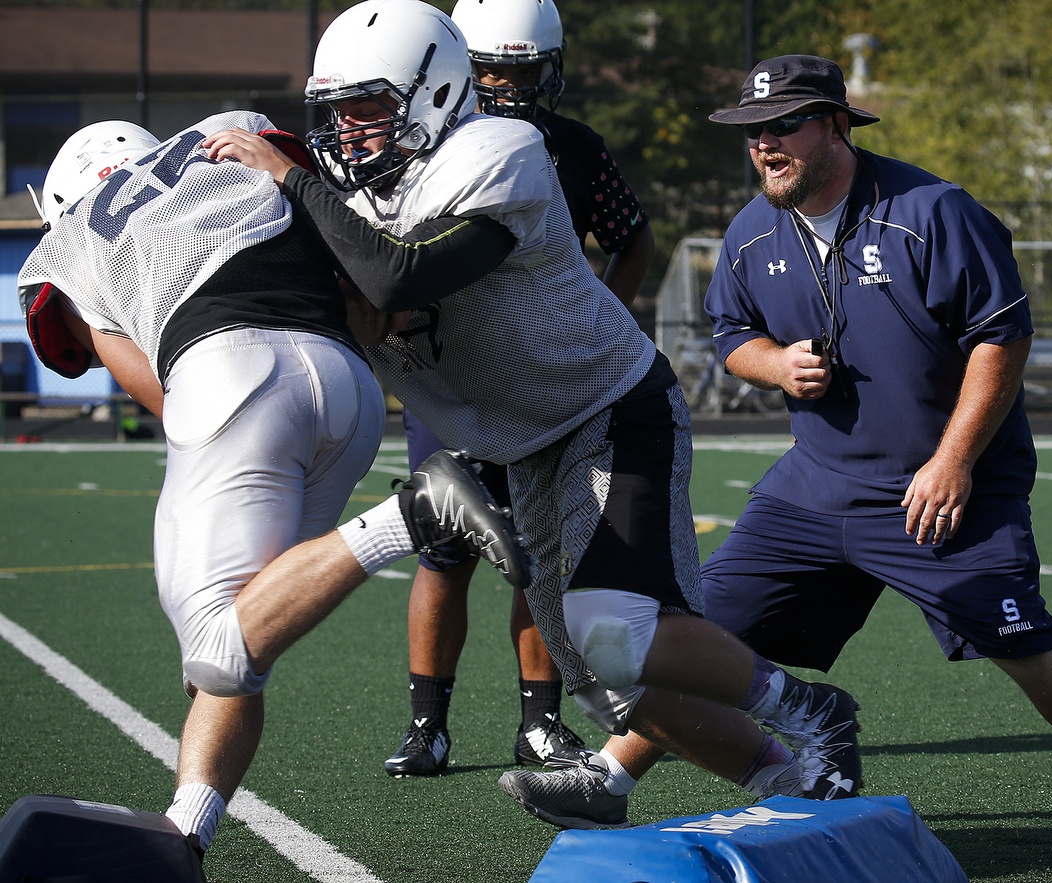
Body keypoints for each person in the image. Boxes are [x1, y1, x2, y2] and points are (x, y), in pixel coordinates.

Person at [495, 54, 1052, 850]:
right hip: (818, 485)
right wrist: (775, 364)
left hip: (940, 486)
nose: (765, 144)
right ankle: (612, 776)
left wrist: (953, 459)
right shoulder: (752, 229)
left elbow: (1002, 337)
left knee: (1019, 634)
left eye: (783, 124)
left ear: (835, 124)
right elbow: (732, 337)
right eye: (753, 131)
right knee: (690, 632)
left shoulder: (933, 210)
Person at [204, 0, 864, 826]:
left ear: (436, 95)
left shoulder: (501, 149)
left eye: (370, 108)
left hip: (609, 406)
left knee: (614, 627)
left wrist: (290, 177)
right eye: (337, 115)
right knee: (604, 687)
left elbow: (399, 280)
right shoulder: (356, 201)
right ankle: (787, 781)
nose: (351, 133)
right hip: (521, 440)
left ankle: (808, 711)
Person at [16, 113, 526, 859]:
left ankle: (418, 508)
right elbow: (346, 257)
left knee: (216, 649)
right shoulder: (225, 139)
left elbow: (160, 393)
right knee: (243, 648)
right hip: (348, 386)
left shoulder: (69, 242)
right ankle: (186, 837)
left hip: (233, 379)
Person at [378, 0, 657, 778]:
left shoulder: (570, 147)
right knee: (446, 551)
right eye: (488, 70)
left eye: (519, 71)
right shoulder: (422, 150)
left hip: (544, 388)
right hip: (458, 384)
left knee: (538, 556)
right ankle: (426, 723)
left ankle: (540, 723)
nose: (504, 86)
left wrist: (598, 318)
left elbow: (632, 235)